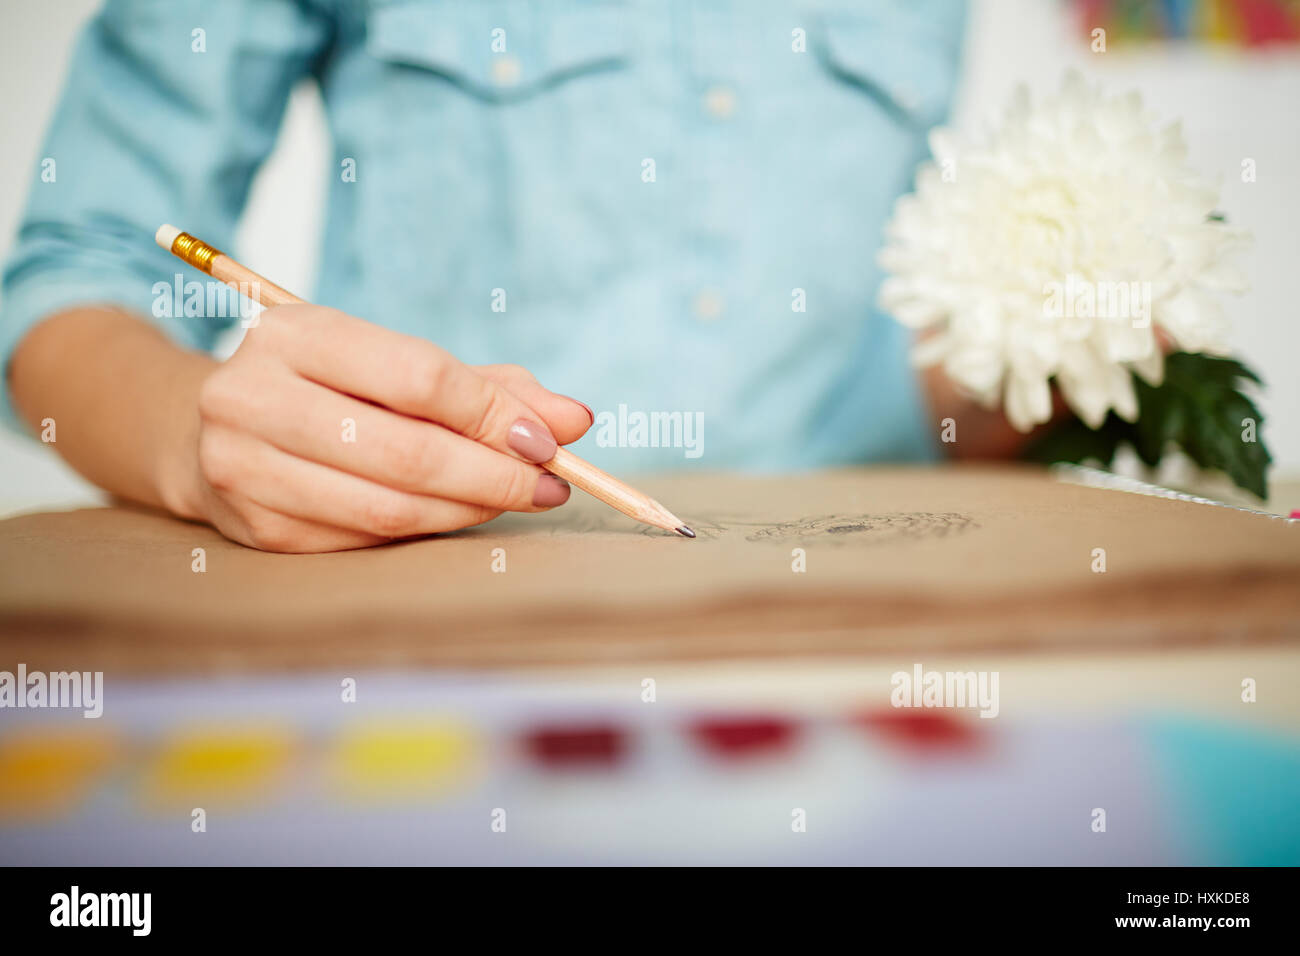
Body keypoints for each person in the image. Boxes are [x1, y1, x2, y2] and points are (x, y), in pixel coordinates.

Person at [2, 0, 1008, 553]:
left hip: (864, 608)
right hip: (425, 616)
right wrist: (191, 428)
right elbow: (72, 277)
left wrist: (1041, 371)